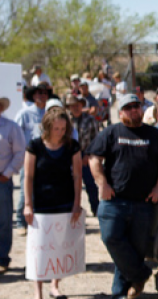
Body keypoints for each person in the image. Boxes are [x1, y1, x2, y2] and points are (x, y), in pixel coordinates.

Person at [87, 94, 158, 299]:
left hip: (143, 204)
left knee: (134, 250)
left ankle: (121, 292)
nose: (134, 110)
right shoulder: (111, 132)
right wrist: (103, 184)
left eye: (137, 106)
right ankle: (141, 274)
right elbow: (94, 158)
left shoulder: (154, 134)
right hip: (114, 201)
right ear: (120, 112)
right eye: (129, 107)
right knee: (110, 238)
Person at [23, 107, 82, 299]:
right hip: (40, 204)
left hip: (64, 202)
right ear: (47, 127)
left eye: (63, 128)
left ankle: (55, 285)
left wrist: (77, 204)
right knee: (39, 248)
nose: (60, 132)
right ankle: (38, 290)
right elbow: (28, 176)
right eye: (56, 128)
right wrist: (27, 204)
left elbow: (77, 176)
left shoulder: (72, 146)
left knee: (60, 245)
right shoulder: (34, 146)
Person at [14, 84, 50, 236]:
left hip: (46, 159)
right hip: (28, 159)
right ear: (33, 96)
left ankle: (39, 220)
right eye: (39, 93)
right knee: (25, 191)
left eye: (45, 93)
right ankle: (20, 222)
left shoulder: (50, 113)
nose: (42, 95)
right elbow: (16, 134)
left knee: (43, 190)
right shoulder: (24, 114)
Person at [0, 97, 25, 275]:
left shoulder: (11, 127)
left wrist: (6, 174)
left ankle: (2, 257)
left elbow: (20, 153)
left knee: (3, 221)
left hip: (2, 180)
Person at [65, 94, 100, 217]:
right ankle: (72, 209)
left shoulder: (90, 120)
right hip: (69, 158)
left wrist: (88, 155)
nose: (75, 108)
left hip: (85, 156)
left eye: (77, 105)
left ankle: (96, 210)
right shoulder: (65, 121)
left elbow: (96, 140)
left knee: (91, 185)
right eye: (72, 105)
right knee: (70, 186)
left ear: (82, 106)